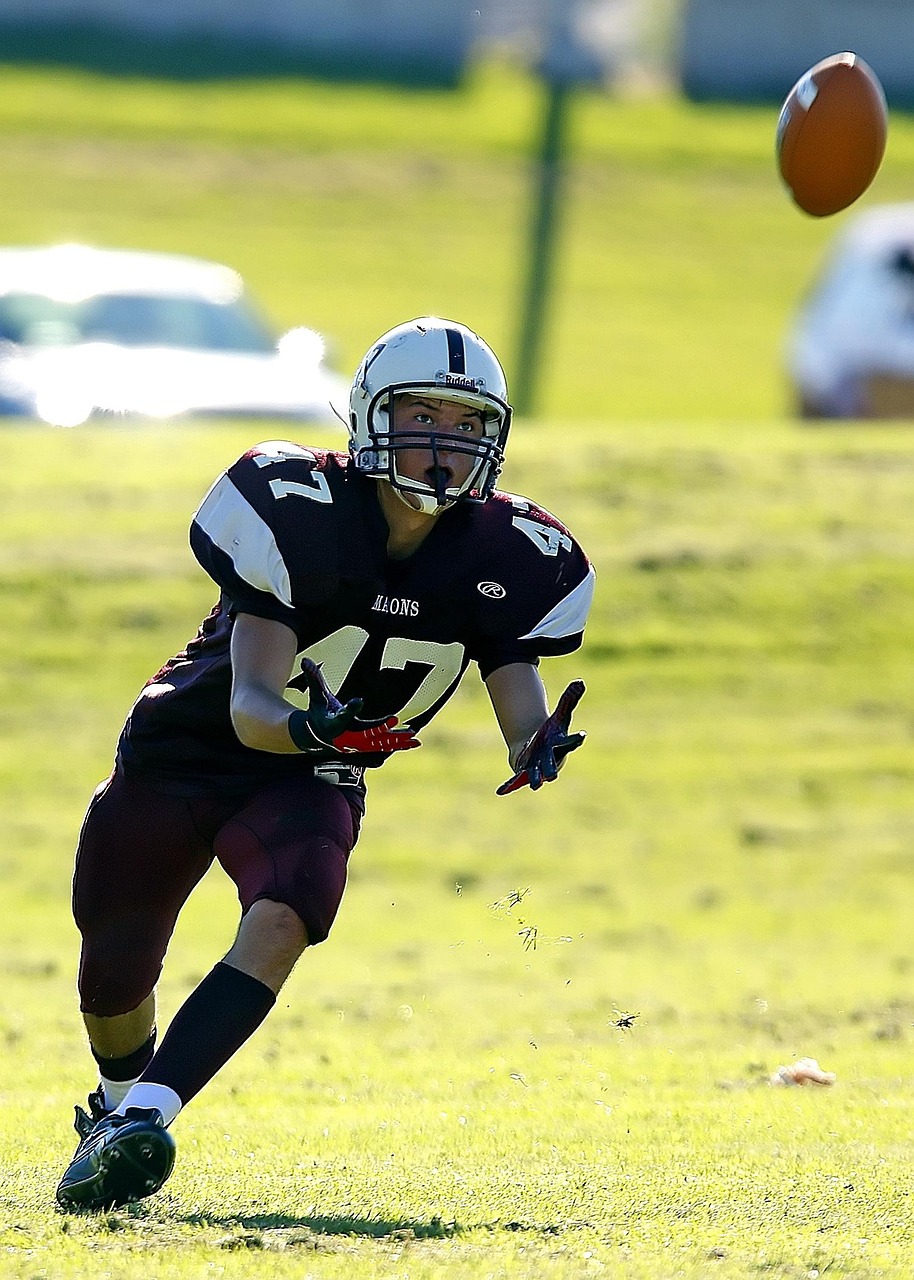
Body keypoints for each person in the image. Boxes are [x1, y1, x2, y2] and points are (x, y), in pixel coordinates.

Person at [55, 316, 595, 1211]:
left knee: (290, 909)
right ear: (372, 416)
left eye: (467, 427)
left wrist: (533, 743)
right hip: (190, 754)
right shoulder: (297, 511)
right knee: (115, 969)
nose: (445, 446)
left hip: (316, 768)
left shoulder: (507, 555)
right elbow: (254, 708)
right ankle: (114, 1105)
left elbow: (514, 680)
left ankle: (148, 1113)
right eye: (425, 417)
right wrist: (310, 730)